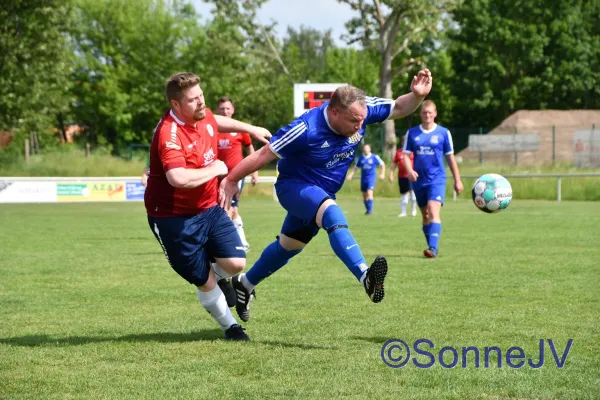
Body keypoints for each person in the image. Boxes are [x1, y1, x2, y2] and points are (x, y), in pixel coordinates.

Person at [219, 69, 433, 322]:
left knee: (290, 246)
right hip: (294, 187)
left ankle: (244, 284)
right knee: (332, 214)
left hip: (322, 192)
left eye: (362, 119)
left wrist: (417, 97)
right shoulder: (305, 128)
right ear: (334, 112)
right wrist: (231, 180)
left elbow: (398, 107)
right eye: (354, 121)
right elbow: (264, 154)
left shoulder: (362, 109)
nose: (360, 125)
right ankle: (367, 278)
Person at [144, 72, 270, 341]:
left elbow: (216, 120)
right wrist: (216, 168)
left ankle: (218, 275)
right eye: (193, 100)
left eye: (202, 96)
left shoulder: (202, 114)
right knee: (204, 281)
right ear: (176, 105)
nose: (201, 103)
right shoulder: (170, 132)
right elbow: (177, 178)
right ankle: (231, 327)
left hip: (208, 207)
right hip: (171, 218)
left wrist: (250, 128)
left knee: (236, 263)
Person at [402, 100, 464, 259]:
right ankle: (431, 245)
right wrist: (409, 171)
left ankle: (433, 248)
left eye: (430, 112)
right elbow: (406, 156)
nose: (427, 115)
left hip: (437, 179)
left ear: (435, 113)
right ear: (420, 114)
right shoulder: (413, 133)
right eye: (424, 112)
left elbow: (450, 158)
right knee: (425, 216)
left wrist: (458, 180)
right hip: (418, 180)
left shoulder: (443, 133)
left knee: (432, 211)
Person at [215, 96, 259, 252]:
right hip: (215, 176)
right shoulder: (212, 129)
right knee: (230, 209)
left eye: (227, 108)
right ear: (217, 110)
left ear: (232, 110)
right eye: (222, 108)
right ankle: (241, 242)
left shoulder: (240, 129)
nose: (225, 111)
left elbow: (250, 149)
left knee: (228, 208)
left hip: (235, 176)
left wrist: (254, 171)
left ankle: (226, 244)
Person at [346, 143, 385, 215]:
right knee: (364, 195)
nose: (366, 150)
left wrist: (382, 174)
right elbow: (355, 168)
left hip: (371, 178)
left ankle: (370, 211)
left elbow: (382, 164)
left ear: (370, 149)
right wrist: (350, 175)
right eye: (365, 148)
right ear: (363, 149)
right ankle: (367, 210)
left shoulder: (374, 157)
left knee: (369, 193)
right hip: (363, 179)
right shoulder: (361, 158)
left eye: (367, 148)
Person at [389, 135, 417, 217]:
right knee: (404, 195)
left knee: (413, 193)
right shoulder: (398, 152)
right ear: (402, 142)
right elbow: (394, 164)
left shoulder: (413, 152)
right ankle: (403, 212)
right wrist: (391, 174)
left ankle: (413, 210)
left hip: (411, 176)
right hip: (402, 176)